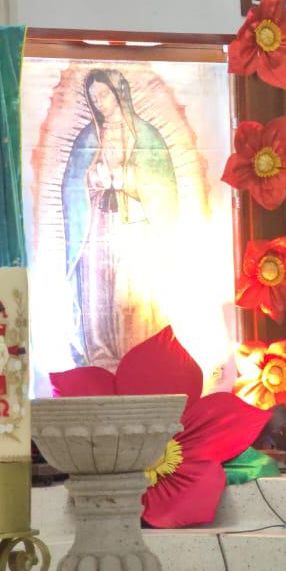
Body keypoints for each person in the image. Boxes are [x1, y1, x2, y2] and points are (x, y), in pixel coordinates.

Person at [62, 69, 179, 370]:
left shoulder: (146, 135)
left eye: (104, 94)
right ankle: (101, 355)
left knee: (130, 291)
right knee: (99, 288)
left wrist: (127, 179)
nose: (100, 102)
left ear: (119, 94)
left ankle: (139, 354)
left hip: (135, 224)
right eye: (94, 98)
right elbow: (72, 183)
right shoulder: (88, 137)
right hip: (99, 221)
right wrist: (93, 180)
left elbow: (162, 186)